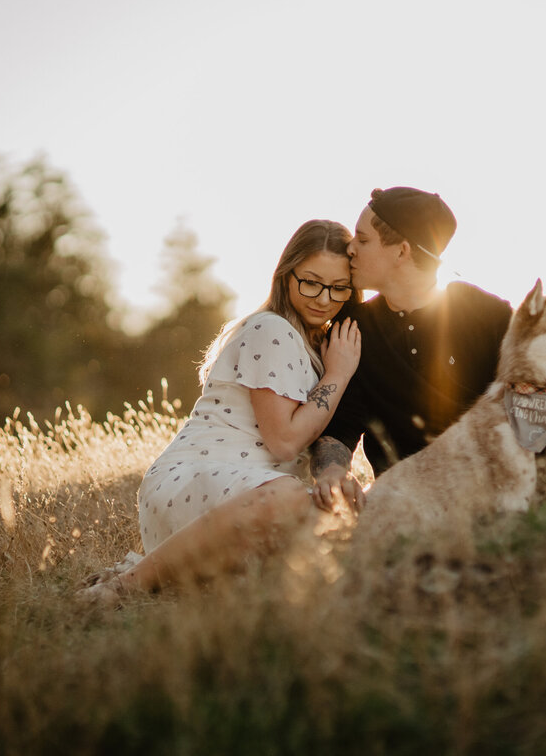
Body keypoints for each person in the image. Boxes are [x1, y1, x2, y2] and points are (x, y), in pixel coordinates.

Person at [309, 186, 546, 511]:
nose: (350, 248)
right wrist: (331, 472)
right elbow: (340, 429)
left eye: (363, 239)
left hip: (505, 477)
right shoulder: (355, 329)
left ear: (402, 251)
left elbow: (541, 360)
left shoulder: (480, 311)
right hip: (424, 495)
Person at [79, 219, 363, 602]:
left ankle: (175, 580)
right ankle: (123, 587)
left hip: (249, 495)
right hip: (196, 481)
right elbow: (283, 442)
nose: (324, 298)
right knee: (290, 498)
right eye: (311, 281)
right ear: (285, 274)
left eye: (339, 287)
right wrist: (339, 372)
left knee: (335, 519)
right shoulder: (272, 329)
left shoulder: (316, 343)